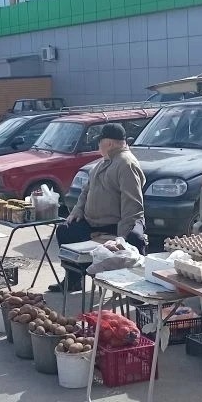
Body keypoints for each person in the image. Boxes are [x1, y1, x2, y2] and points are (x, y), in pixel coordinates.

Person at [49, 123, 147, 293]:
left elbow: (132, 205)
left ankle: (136, 290)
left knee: (134, 239)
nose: (98, 146)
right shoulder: (103, 163)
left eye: (99, 142)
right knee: (66, 230)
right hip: (94, 222)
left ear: (109, 143)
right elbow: (86, 190)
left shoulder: (126, 163)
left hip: (117, 223)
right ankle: (74, 280)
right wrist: (78, 210)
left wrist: (121, 237)